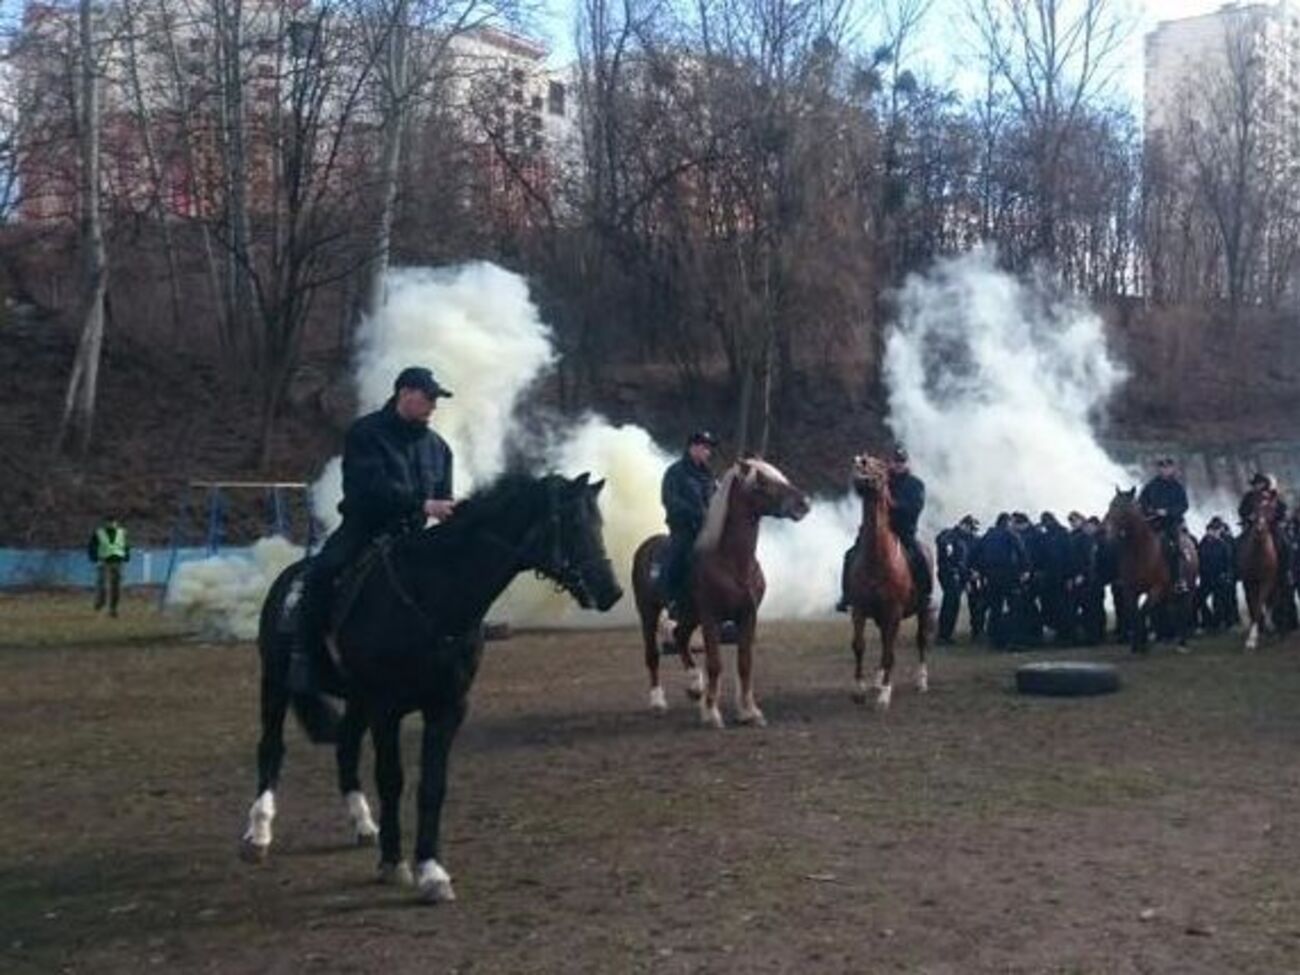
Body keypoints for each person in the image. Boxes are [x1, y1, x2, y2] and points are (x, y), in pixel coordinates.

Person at [290, 366, 456, 694]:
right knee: (324, 571)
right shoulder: (365, 433)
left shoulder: (439, 447)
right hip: (365, 527)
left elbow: (442, 497)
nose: (433, 406)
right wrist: (423, 505)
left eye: (436, 400)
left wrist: (454, 511)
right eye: (428, 398)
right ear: (404, 394)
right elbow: (372, 490)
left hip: (414, 536)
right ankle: (305, 657)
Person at [838, 445, 931, 612]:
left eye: (901, 461)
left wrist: (893, 505)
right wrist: (862, 469)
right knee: (850, 555)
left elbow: (915, 507)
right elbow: (863, 489)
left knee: (920, 556)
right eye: (896, 461)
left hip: (903, 530)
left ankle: (924, 596)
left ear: (907, 463)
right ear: (891, 462)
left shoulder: (916, 484)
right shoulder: (881, 480)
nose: (898, 465)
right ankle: (846, 596)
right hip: (875, 529)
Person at [659, 430, 719, 617]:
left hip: (708, 527)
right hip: (683, 527)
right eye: (703, 447)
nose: (706, 452)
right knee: (678, 555)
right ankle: (672, 600)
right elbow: (669, 499)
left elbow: (716, 496)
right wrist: (695, 513)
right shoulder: (675, 472)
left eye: (708, 448)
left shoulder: (709, 474)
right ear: (692, 447)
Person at [1138, 456, 1190, 593]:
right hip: (1152, 522)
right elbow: (1141, 501)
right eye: (1161, 468)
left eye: (1167, 467)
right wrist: (1149, 509)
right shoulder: (1151, 486)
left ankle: (1179, 579)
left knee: (1174, 546)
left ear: (1172, 469)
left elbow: (1184, 506)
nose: (1164, 470)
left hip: (1170, 523)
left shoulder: (1177, 487)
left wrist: (1167, 512)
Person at [934, 515, 978, 644]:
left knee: (956, 604)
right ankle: (943, 635)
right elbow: (942, 541)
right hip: (950, 574)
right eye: (970, 527)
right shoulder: (949, 535)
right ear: (964, 525)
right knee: (951, 603)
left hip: (961, 575)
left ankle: (947, 634)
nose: (972, 531)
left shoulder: (968, 539)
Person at [86, 514, 130, 617]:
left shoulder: (122, 533)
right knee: (102, 585)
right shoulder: (99, 533)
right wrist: (94, 558)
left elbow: (126, 545)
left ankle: (113, 609)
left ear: (116, 523)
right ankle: (100, 602)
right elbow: (92, 546)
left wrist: (127, 556)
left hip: (118, 562)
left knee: (116, 586)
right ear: (105, 523)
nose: (111, 524)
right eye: (109, 522)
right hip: (103, 561)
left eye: (113, 522)